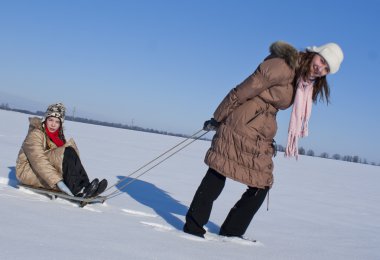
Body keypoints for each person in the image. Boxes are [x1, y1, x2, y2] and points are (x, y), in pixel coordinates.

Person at [183, 41, 344, 238]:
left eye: (327, 68)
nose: (321, 68)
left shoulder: (302, 82)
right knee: (220, 168)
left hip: (259, 132)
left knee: (262, 183)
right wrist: (218, 117)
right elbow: (244, 89)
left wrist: (268, 135)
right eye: (322, 61)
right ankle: (193, 228)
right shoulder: (284, 66)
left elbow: (270, 109)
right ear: (314, 54)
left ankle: (231, 233)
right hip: (241, 122)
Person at [16, 102, 108, 198]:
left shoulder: (58, 137)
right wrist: (58, 181)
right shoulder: (36, 135)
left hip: (46, 171)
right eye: (51, 120)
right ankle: (78, 189)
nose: (53, 124)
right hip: (29, 171)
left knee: (70, 151)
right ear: (45, 119)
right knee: (66, 152)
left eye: (57, 121)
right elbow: (38, 160)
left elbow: (68, 164)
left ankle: (86, 186)